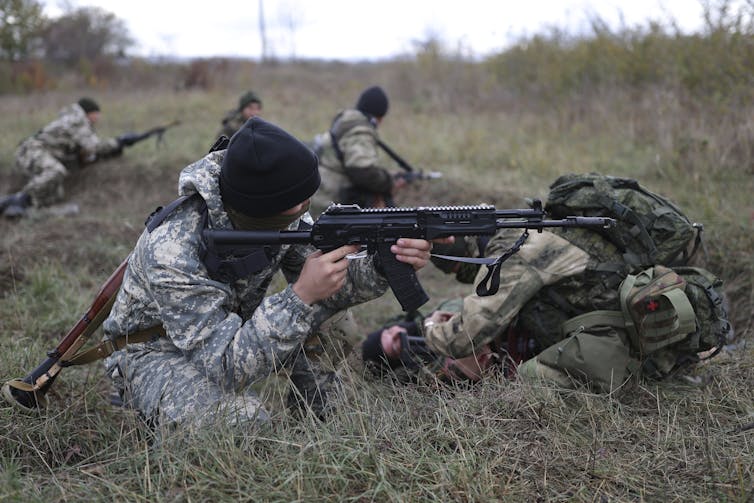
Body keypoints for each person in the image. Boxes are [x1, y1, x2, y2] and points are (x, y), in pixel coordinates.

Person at [102, 117, 436, 429]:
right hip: (154, 351)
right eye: (298, 204)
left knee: (337, 325)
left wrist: (383, 262)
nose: (306, 208)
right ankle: (158, 413)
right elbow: (225, 365)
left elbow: (335, 283)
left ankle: (316, 419)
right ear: (261, 207)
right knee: (244, 422)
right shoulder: (174, 250)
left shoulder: (278, 209)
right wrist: (299, 298)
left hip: (225, 333)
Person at [1, 97, 124, 218]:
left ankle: (22, 207)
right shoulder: (77, 121)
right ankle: (18, 200)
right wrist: (118, 142)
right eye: (96, 114)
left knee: (55, 193)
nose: (98, 118)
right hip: (32, 150)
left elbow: (84, 150)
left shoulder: (71, 119)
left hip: (36, 151)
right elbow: (94, 146)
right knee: (56, 171)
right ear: (89, 113)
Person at [311, 85, 406, 211]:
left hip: (322, 196)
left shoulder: (346, 123)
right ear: (378, 117)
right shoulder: (360, 130)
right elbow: (362, 171)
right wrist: (389, 182)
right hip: (332, 204)